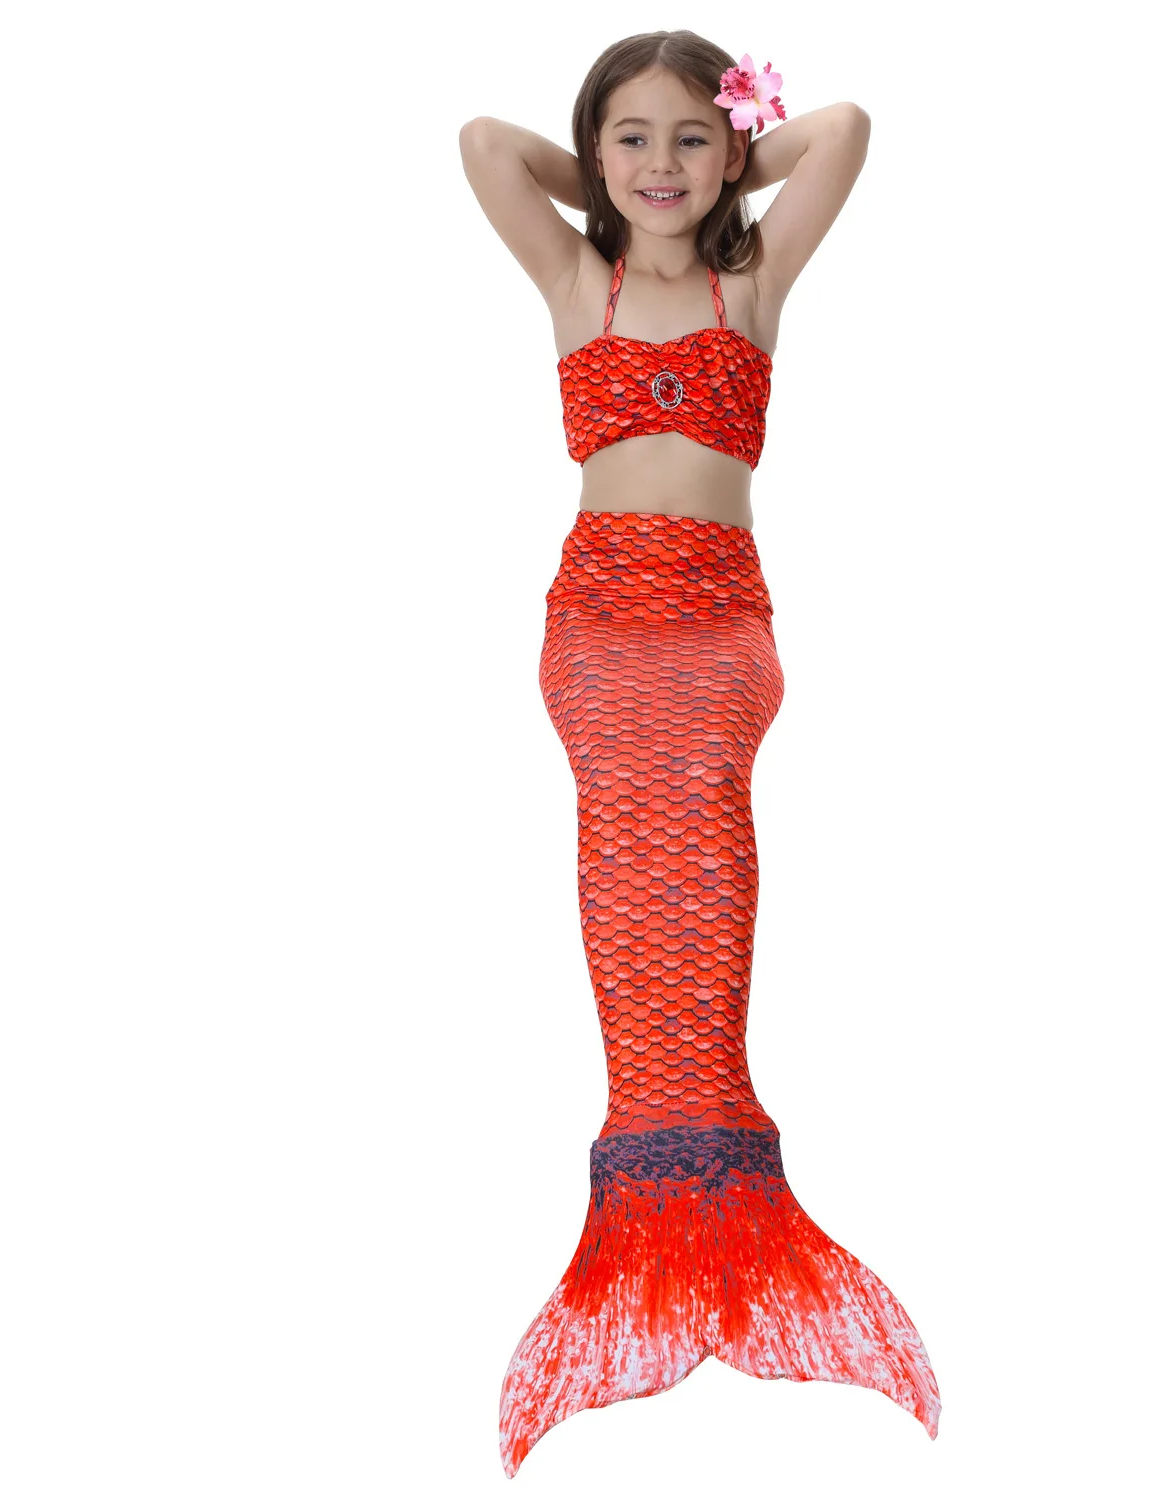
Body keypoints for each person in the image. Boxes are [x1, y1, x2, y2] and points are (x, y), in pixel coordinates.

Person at [460, 30, 939, 1477]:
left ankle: (715, 1198)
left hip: (721, 626)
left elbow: (842, 128)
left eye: (688, 137)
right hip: (603, 627)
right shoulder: (577, 282)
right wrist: (619, 183)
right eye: (631, 139)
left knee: (710, 879)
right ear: (594, 155)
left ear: (729, 149)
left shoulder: (752, 284)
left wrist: (733, 154)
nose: (659, 164)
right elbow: (486, 146)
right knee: (627, 883)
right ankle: (658, 1209)